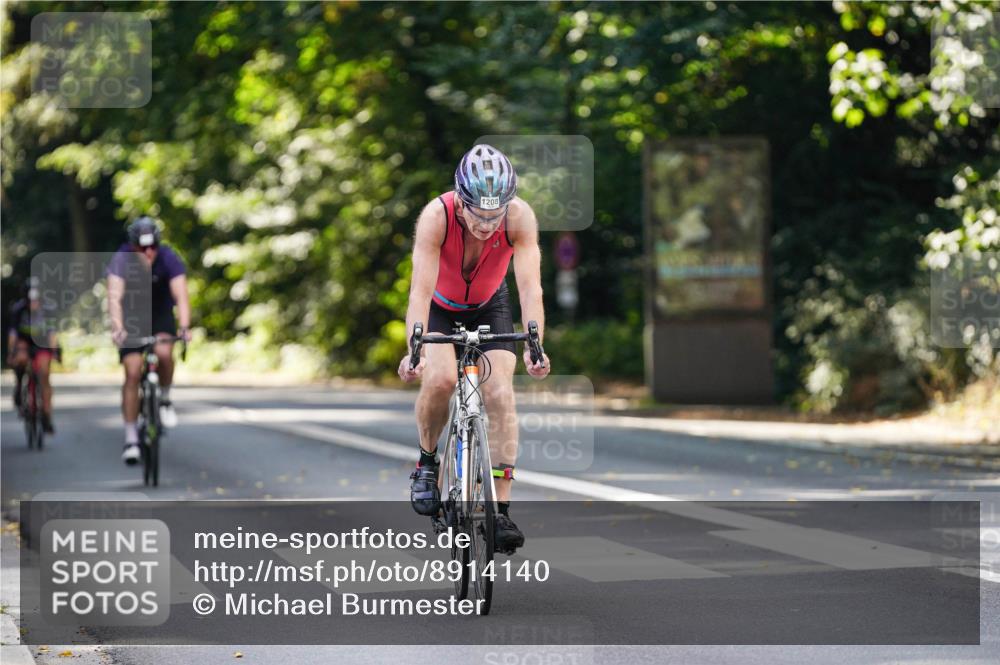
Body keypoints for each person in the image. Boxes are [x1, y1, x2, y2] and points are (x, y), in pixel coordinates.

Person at [398, 144, 551, 553]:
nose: (486, 224)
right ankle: (427, 465)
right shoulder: (436, 216)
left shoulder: (520, 218)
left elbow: (529, 286)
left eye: (495, 214)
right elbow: (420, 290)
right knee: (442, 379)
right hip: (440, 308)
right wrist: (415, 348)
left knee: (500, 392)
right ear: (460, 201)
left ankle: (500, 512)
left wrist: (535, 342)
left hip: (491, 304)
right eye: (478, 214)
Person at [107, 216, 191, 465]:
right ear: (132, 246)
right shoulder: (122, 259)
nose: (148, 252)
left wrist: (185, 327)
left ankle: (164, 398)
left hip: (160, 314)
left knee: (164, 353)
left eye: (152, 246)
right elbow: (114, 297)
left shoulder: (167, 257)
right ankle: (131, 438)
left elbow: (182, 296)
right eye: (142, 248)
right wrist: (118, 327)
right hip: (132, 317)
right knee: (132, 372)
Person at [7, 277, 59, 433]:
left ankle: (47, 415)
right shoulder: (18, 310)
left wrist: (54, 351)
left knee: (44, 374)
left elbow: (52, 334)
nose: (33, 303)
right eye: (30, 300)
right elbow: (13, 336)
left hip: (42, 342)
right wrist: (12, 353)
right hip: (24, 342)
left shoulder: (48, 309)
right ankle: (19, 385)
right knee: (20, 358)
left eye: (36, 300)